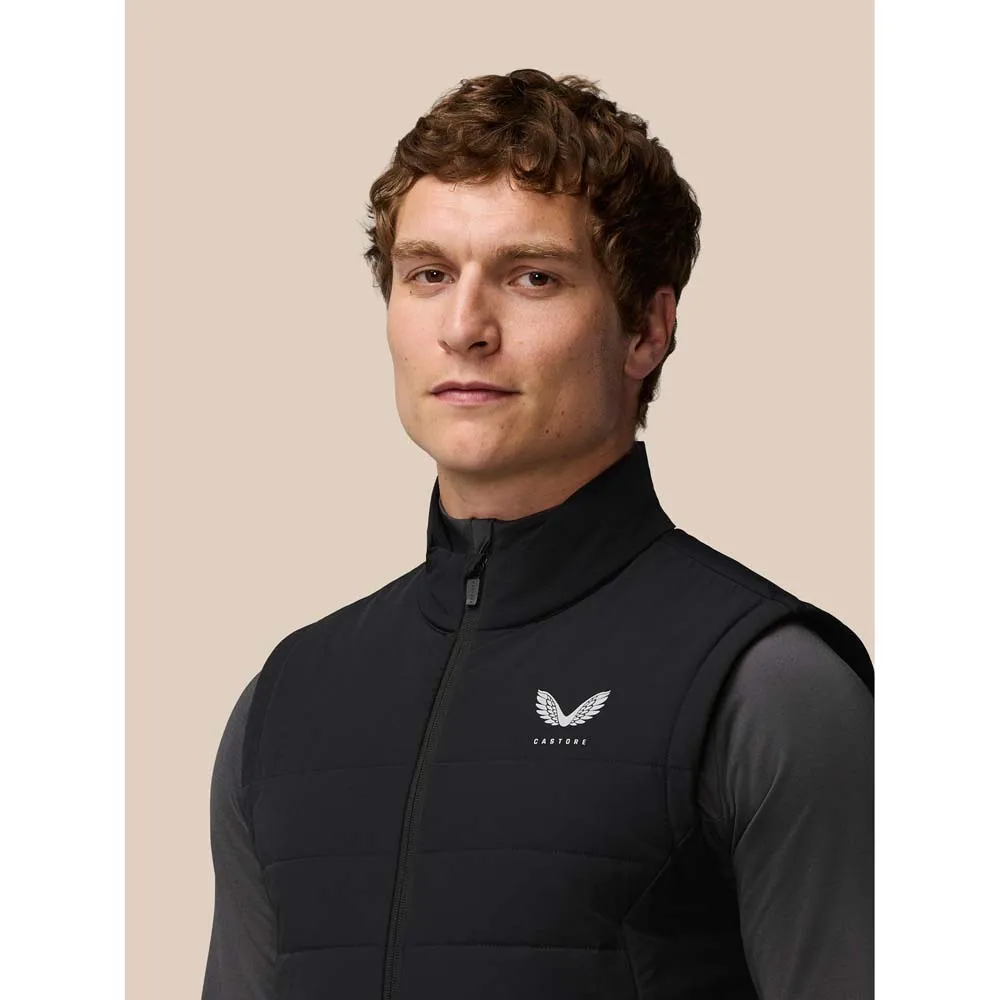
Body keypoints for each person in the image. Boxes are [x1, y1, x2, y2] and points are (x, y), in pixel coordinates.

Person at [201, 69, 873, 1000]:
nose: (465, 328)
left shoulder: (769, 687)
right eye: (429, 274)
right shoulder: (286, 702)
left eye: (532, 277)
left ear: (647, 330)